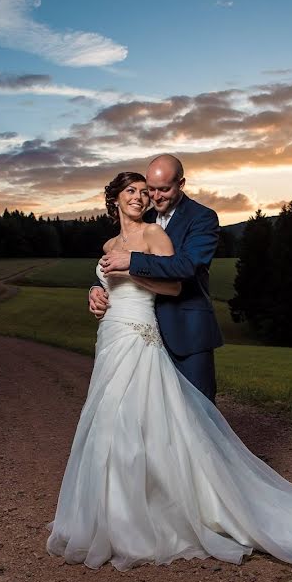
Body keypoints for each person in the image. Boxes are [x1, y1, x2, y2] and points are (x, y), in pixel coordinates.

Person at [45, 171, 292, 573]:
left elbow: (172, 287)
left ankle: (172, 516)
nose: (139, 197)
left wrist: (129, 270)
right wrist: (95, 292)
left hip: (141, 338)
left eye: (144, 192)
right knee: (109, 426)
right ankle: (116, 518)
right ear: (114, 198)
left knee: (146, 425)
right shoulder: (108, 244)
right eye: (130, 191)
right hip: (111, 338)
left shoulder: (153, 236)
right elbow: (107, 284)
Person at [89, 154, 222, 405]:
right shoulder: (143, 217)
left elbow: (188, 265)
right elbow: (113, 262)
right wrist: (96, 288)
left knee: (199, 413)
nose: (156, 197)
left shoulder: (203, 217)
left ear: (181, 184)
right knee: (149, 413)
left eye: (164, 189)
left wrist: (133, 262)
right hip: (142, 332)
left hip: (187, 331)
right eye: (151, 189)